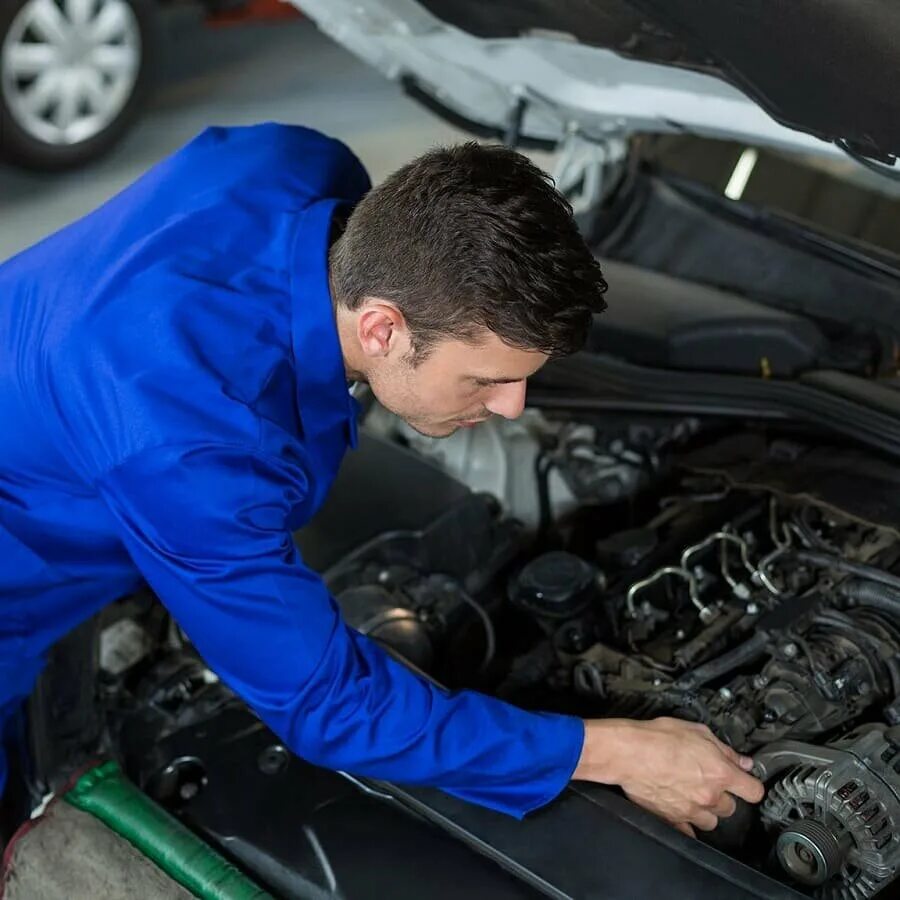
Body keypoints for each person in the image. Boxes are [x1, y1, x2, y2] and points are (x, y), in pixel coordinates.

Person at [0, 123, 762, 837]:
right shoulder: (188, 441)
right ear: (381, 328)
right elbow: (328, 706)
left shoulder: (300, 165)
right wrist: (618, 751)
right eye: (488, 379)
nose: (512, 406)